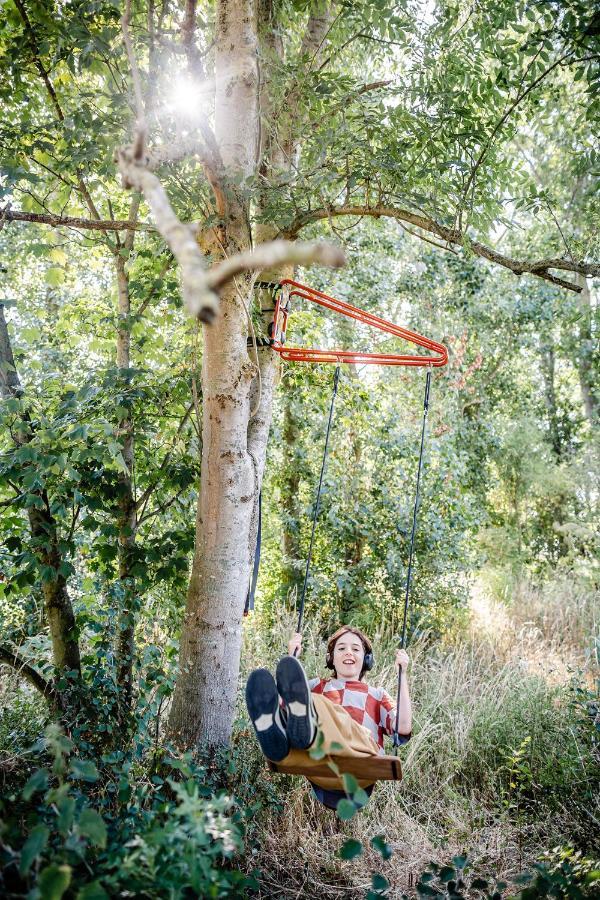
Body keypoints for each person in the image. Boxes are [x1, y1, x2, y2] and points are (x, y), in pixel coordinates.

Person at [245, 626, 412, 808]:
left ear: (366, 659)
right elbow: (280, 706)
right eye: (341, 648)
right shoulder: (317, 685)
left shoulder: (377, 695)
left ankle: (308, 733)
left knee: (324, 708)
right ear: (330, 658)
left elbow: (402, 727)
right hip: (321, 769)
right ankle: (279, 745)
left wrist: (402, 674)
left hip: (360, 762)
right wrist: (291, 656)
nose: (348, 652)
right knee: (304, 705)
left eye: (355, 649)